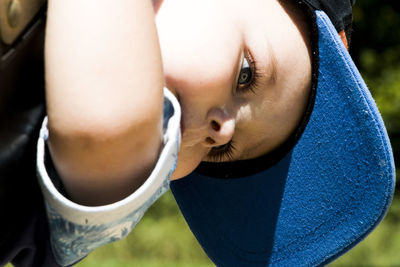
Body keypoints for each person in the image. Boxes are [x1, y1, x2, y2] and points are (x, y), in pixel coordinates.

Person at [2, 0, 395, 266]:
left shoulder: (117, 164)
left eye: (221, 154)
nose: (222, 133)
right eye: (246, 75)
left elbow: (107, 127)